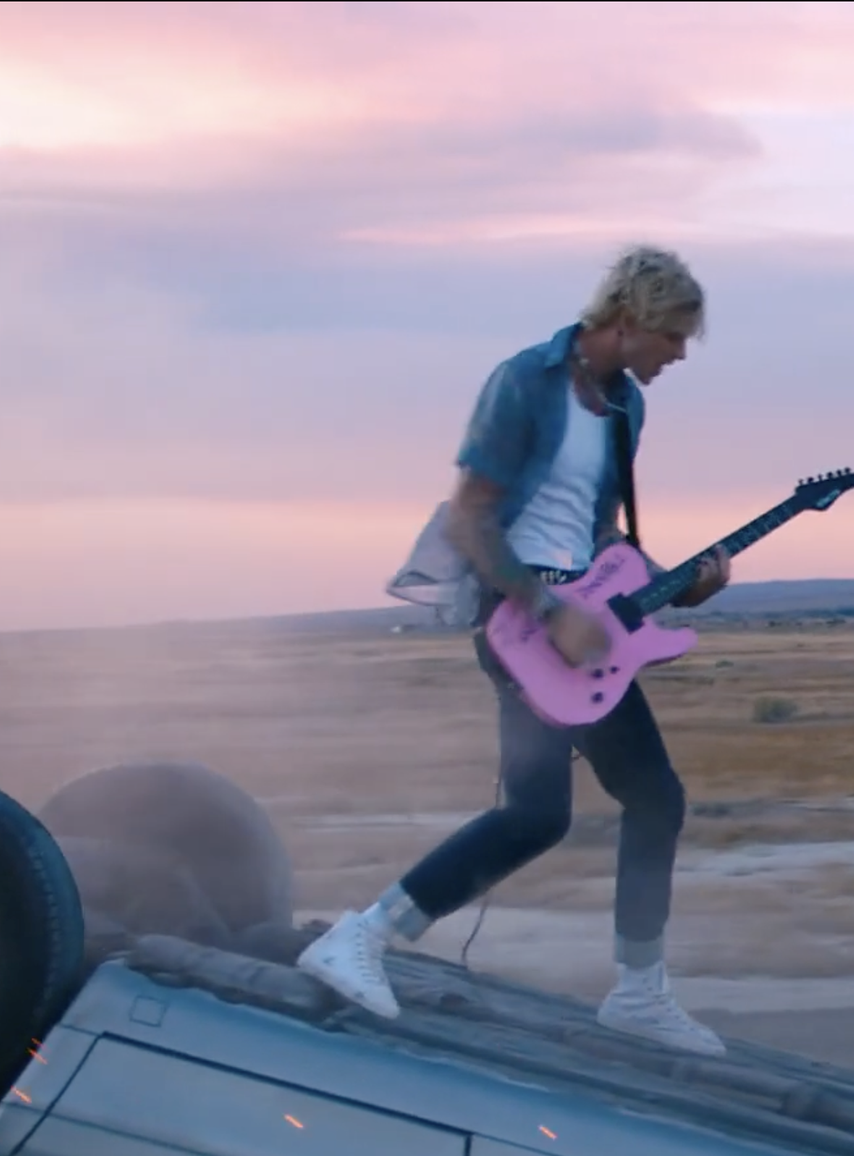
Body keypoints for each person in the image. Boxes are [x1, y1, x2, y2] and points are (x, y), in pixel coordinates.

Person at [297, 244, 732, 1056]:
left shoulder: (626, 408)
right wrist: (546, 607)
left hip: (576, 619)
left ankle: (636, 993)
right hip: (519, 621)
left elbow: (598, 535)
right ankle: (362, 936)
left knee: (583, 808)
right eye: (674, 335)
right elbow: (470, 515)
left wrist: (676, 587)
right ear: (630, 319)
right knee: (594, 804)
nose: (679, 354)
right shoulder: (524, 381)